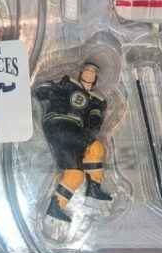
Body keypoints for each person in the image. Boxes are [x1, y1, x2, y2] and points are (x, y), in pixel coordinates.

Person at [33, 61, 112, 222]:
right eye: (87, 71)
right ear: (81, 73)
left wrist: (91, 128)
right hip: (59, 124)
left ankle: (56, 207)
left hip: (70, 132)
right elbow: (43, 90)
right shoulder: (68, 84)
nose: (89, 74)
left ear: (95, 78)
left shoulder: (96, 99)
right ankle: (94, 188)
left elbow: (94, 120)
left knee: (75, 174)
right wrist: (47, 91)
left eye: (92, 72)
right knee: (95, 147)